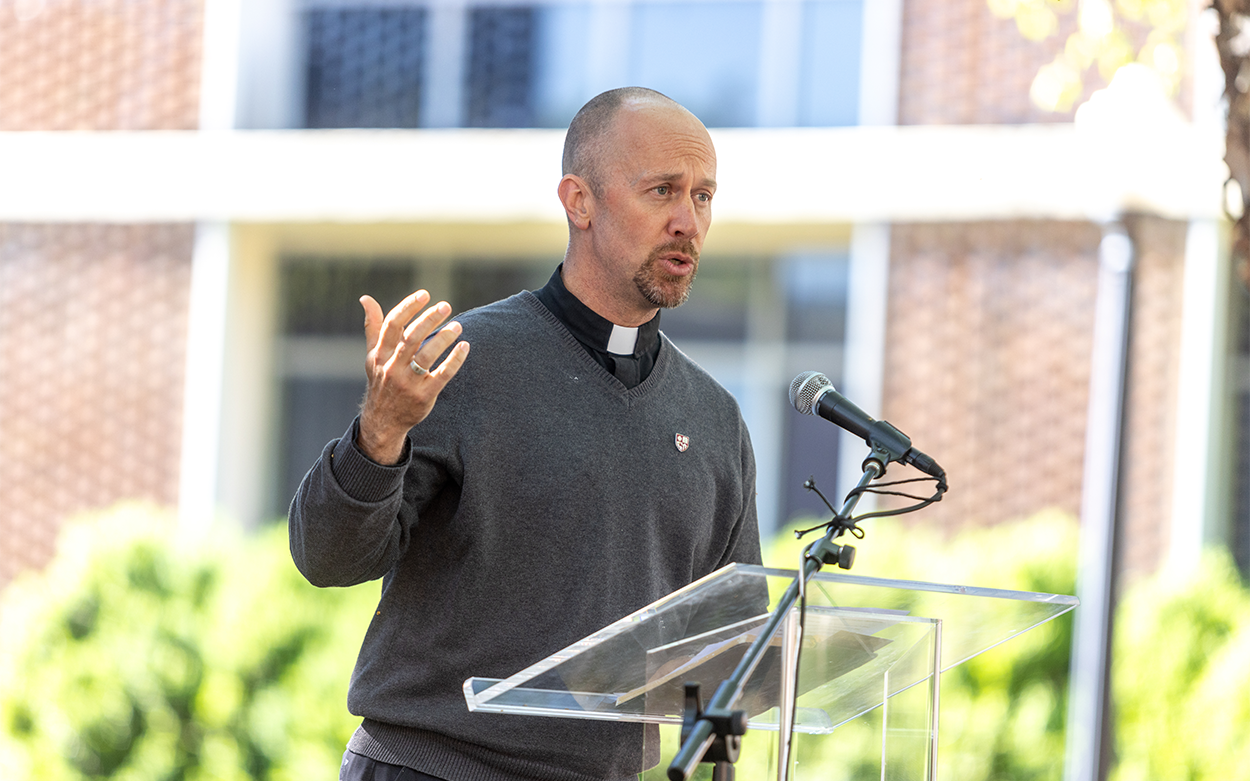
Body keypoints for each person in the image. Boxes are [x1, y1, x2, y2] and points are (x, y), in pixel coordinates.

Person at [289, 87, 762, 781]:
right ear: (579, 201)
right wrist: (380, 429)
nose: (687, 221)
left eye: (703, 197)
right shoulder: (458, 361)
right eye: (663, 191)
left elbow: (725, 651)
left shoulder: (716, 418)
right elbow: (325, 558)